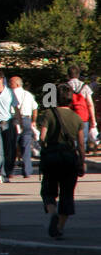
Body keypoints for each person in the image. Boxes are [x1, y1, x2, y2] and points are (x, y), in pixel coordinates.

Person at [37, 83, 87, 239]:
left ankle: (52, 213)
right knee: (67, 194)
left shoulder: (48, 114)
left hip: (51, 157)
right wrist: (82, 161)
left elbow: (42, 138)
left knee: (48, 190)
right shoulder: (76, 118)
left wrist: (44, 147)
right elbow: (80, 144)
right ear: (70, 99)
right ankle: (59, 227)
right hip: (69, 158)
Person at [8, 76, 38, 178]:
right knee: (26, 146)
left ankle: (10, 170)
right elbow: (35, 108)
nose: (9, 84)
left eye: (10, 82)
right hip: (26, 119)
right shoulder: (28, 94)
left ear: (16, 84)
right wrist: (34, 120)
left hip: (14, 119)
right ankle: (27, 171)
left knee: (12, 146)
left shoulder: (10, 94)